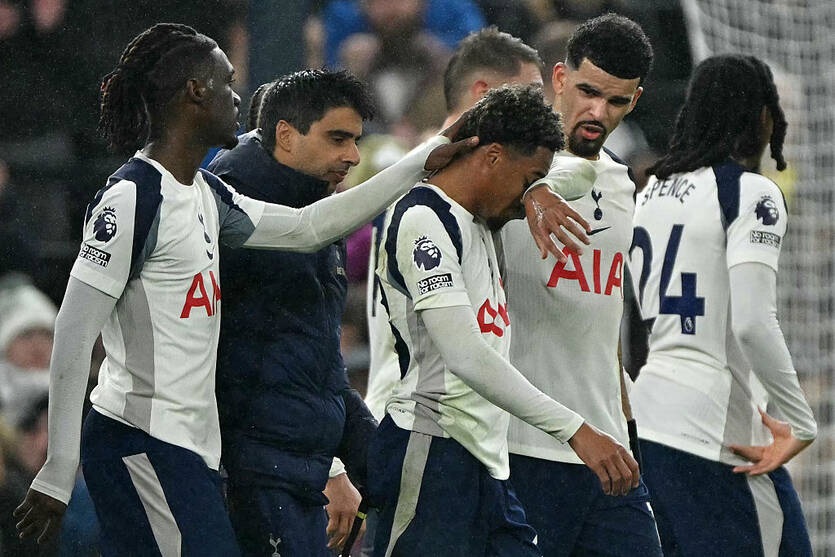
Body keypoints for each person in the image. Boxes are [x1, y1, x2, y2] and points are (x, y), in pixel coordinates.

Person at [12, 22, 475, 556]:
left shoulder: (207, 194)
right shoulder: (131, 199)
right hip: (139, 442)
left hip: (192, 452)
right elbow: (72, 331)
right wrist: (58, 468)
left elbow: (309, 227)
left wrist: (422, 158)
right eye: (226, 82)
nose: (237, 97)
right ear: (194, 92)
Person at [370, 83, 639, 557]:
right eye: (528, 179)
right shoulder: (423, 219)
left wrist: (539, 188)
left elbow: (582, 172)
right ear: (493, 157)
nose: (525, 199)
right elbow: (465, 355)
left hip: (488, 463)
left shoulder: (484, 219)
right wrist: (575, 429)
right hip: (430, 449)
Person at [627, 53, 817, 556]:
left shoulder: (648, 193)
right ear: (761, 116)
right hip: (718, 432)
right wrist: (801, 422)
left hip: (649, 423)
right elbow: (753, 322)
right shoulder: (751, 193)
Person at [498, 13, 663, 556]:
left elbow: (602, 314)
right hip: (524, 447)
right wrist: (530, 190)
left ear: (635, 101)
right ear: (560, 77)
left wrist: (627, 418)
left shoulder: (620, 183)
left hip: (610, 452)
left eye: (616, 101)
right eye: (588, 92)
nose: (598, 113)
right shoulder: (503, 170)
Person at [207, 69, 377, 556]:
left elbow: (315, 359)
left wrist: (370, 458)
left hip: (297, 456)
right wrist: (331, 468)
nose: (353, 156)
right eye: (337, 138)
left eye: (356, 140)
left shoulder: (317, 203)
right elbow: (230, 360)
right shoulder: (232, 212)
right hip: (254, 469)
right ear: (285, 134)